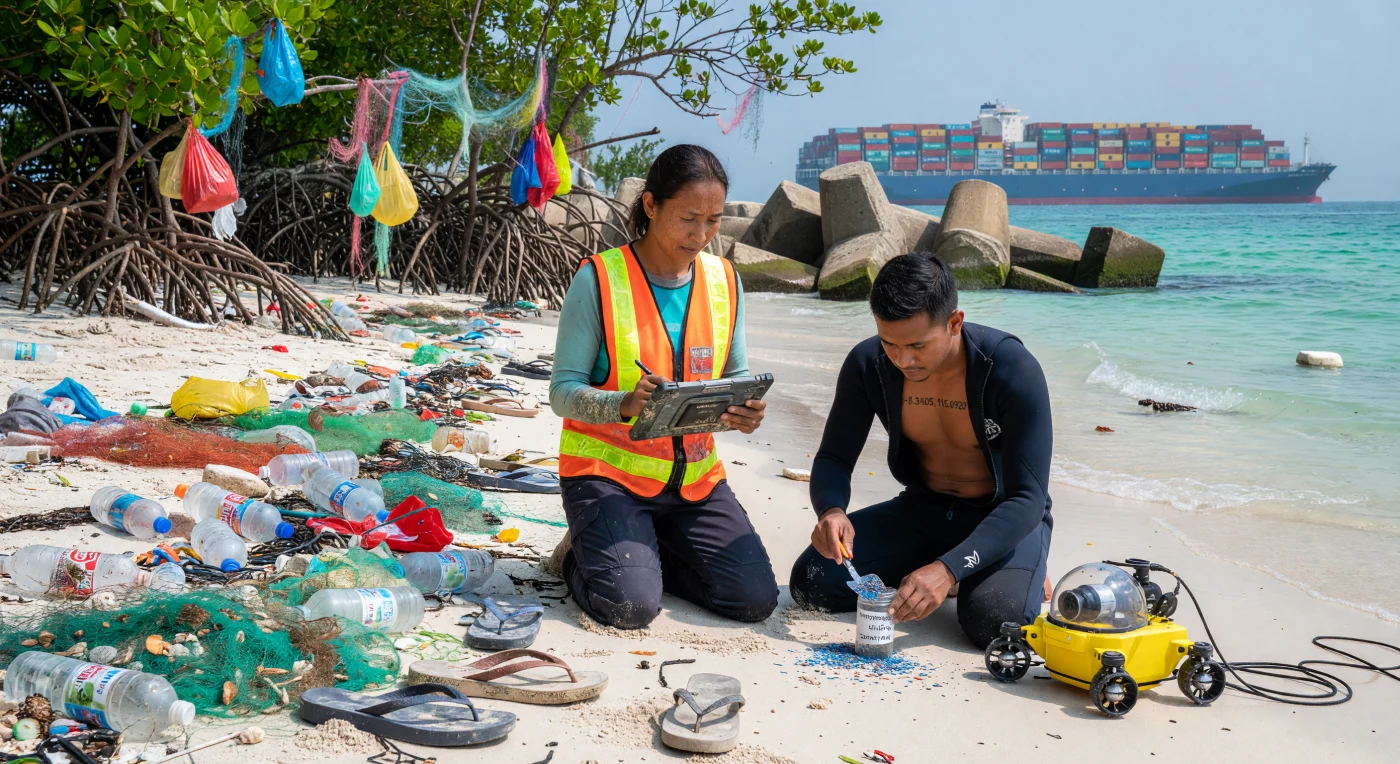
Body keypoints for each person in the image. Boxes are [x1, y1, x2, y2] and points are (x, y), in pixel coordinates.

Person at [548, 144, 778, 629]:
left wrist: (747, 409)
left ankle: (641, 558)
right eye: (689, 219)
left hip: (695, 483)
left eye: (714, 221)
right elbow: (562, 392)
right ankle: (577, 557)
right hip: (607, 477)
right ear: (651, 206)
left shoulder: (725, 280)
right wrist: (624, 404)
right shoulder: (599, 280)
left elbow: (737, 374)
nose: (701, 236)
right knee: (630, 609)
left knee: (754, 600)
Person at [788, 252, 1053, 648]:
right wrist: (831, 510)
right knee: (813, 582)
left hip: (1002, 520)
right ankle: (943, 566)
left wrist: (947, 571)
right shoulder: (869, 364)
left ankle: (1018, 565)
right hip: (923, 510)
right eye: (890, 343)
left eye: (917, 345)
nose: (903, 360)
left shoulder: (1009, 368)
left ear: (954, 322)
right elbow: (834, 457)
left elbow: (1029, 498)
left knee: (994, 622)